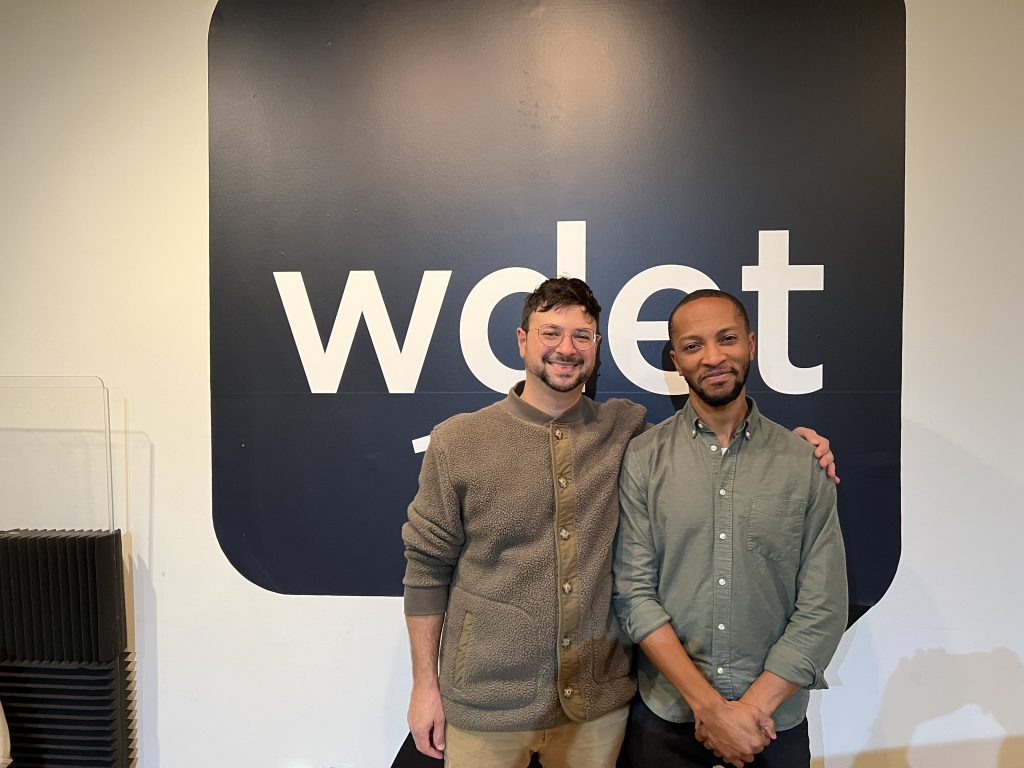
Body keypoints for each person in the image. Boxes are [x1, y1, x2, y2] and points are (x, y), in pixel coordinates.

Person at [401, 278, 836, 768]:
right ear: (522, 340)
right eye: (550, 333)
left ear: (597, 347)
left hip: (595, 710)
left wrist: (801, 449)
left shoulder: (624, 431)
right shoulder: (460, 440)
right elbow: (426, 571)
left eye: (581, 336)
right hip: (488, 706)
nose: (566, 349)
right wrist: (424, 686)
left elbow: (713, 451)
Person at [612, 289, 848, 768]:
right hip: (668, 719)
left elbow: (823, 604)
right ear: (677, 360)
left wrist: (751, 711)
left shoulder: (802, 461)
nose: (714, 357)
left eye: (727, 339)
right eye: (694, 346)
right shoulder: (643, 458)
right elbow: (634, 594)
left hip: (771, 725)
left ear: (752, 344)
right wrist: (709, 707)